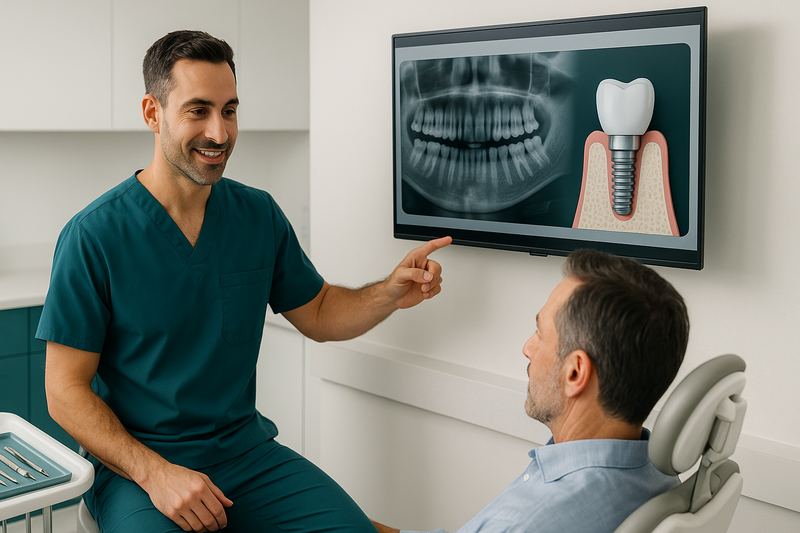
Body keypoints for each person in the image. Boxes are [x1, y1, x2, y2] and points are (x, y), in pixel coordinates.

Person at [36, 30, 450, 533]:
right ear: (152, 113)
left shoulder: (257, 215)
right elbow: (63, 392)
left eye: (229, 110)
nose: (219, 132)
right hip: (138, 469)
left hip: (246, 456)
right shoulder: (93, 236)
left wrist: (387, 293)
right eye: (198, 111)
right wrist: (157, 474)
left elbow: (318, 312)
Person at [373, 249, 690, 533]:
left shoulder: (521, 524)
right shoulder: (657, 477)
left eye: (539, 333)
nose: (527, 348)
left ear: (575, 373)